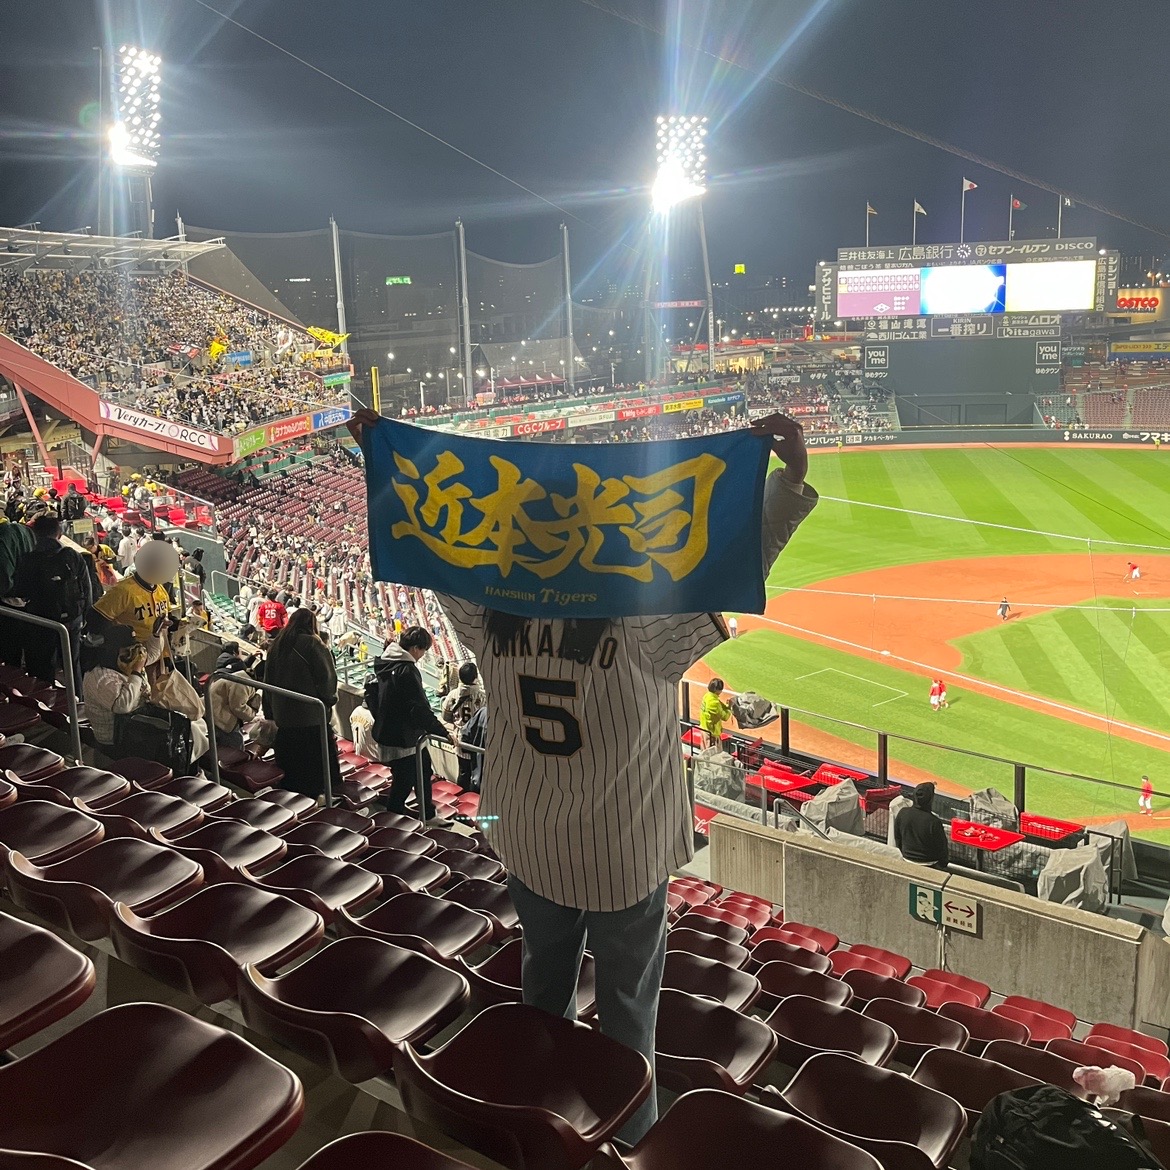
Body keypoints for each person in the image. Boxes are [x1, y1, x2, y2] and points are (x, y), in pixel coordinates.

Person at [346, 407, 815, 1143]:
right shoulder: (643, 620)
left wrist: (383, 460)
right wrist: (787, 485)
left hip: (526, 834)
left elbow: (435, 551)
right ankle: (628, 1141)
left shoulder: (490, 610)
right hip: (622, 850)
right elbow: (734, 563)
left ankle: (538, 1121)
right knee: (629, 1012)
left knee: (543, 986)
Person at [370, 625, 454, 826]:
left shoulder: (385, 662)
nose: (423, 655)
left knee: (419, 773)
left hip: (391, 732)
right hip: (403, 737)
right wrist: (443, 732)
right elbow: (418, 708)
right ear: (416, 648)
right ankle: (394, 821)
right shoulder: (406, 669)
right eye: (423, 650)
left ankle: (423, 814)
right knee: (407, 779)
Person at [261, 607, 341, 799]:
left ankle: (295, 801)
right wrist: (329, 701)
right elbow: (327, 679)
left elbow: (267, 681)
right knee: (314, 770)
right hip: (310, 717)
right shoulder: (313, 643)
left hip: (283, 717)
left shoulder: (277, 644)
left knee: (292, 770)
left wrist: (270, 711)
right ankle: (316, 801)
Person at [10, 513, 93, 694]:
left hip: (42, 621)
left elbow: (20, 591)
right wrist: (84, 617)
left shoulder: (28, 559)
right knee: (72, 663)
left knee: (42, 664)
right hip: (71, 619)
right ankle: (77, 699)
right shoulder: (72, 555)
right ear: (59, 534)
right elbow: (87, 589)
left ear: (36, 535)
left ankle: (46, 701)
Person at [87, 540, 177, 666]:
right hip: (129, 658)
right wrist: (121, 640)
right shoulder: (123, 590)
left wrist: (176, 623)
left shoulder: (160, 590)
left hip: (156, 653)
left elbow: (167, 617)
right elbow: (94, 618)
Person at [80, 623, 151, 748]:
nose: (132, 653)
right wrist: (136, 672)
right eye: (127, 650)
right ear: (113, 649)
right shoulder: (100, 675)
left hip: (133, 729)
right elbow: (123, 706)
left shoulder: (122, 665)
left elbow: (153, 656)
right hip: (113, 741)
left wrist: (157, 634)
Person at [210, 643, 261, 750]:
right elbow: (238, 706)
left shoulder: (239, 674)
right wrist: (252, 715)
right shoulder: (243, 682)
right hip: (218, 717)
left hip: (214, 711)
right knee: (237, 746)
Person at [894, 782, 950, 870]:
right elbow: (942, 848)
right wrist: (943, 865)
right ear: (930, 799)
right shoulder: (934, 821)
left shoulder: (903, 813)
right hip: (930, 864)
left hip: (906, 859)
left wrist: (906, 854)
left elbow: (898, 838)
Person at [442, 661, 486, 733]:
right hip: (476, 736)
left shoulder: (452, 695)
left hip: (459, 735)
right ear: (475, 677)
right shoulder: (483, 697)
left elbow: (445, 717)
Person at [700, 677, 734, 747]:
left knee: (705, 751)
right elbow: (725, 717)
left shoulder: (708, 696)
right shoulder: (714, 702)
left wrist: (727, 706)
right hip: (711, 733)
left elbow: (720, 707)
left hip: (704, 729)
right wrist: (730, 708)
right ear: (717, 690)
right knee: (713, 753)